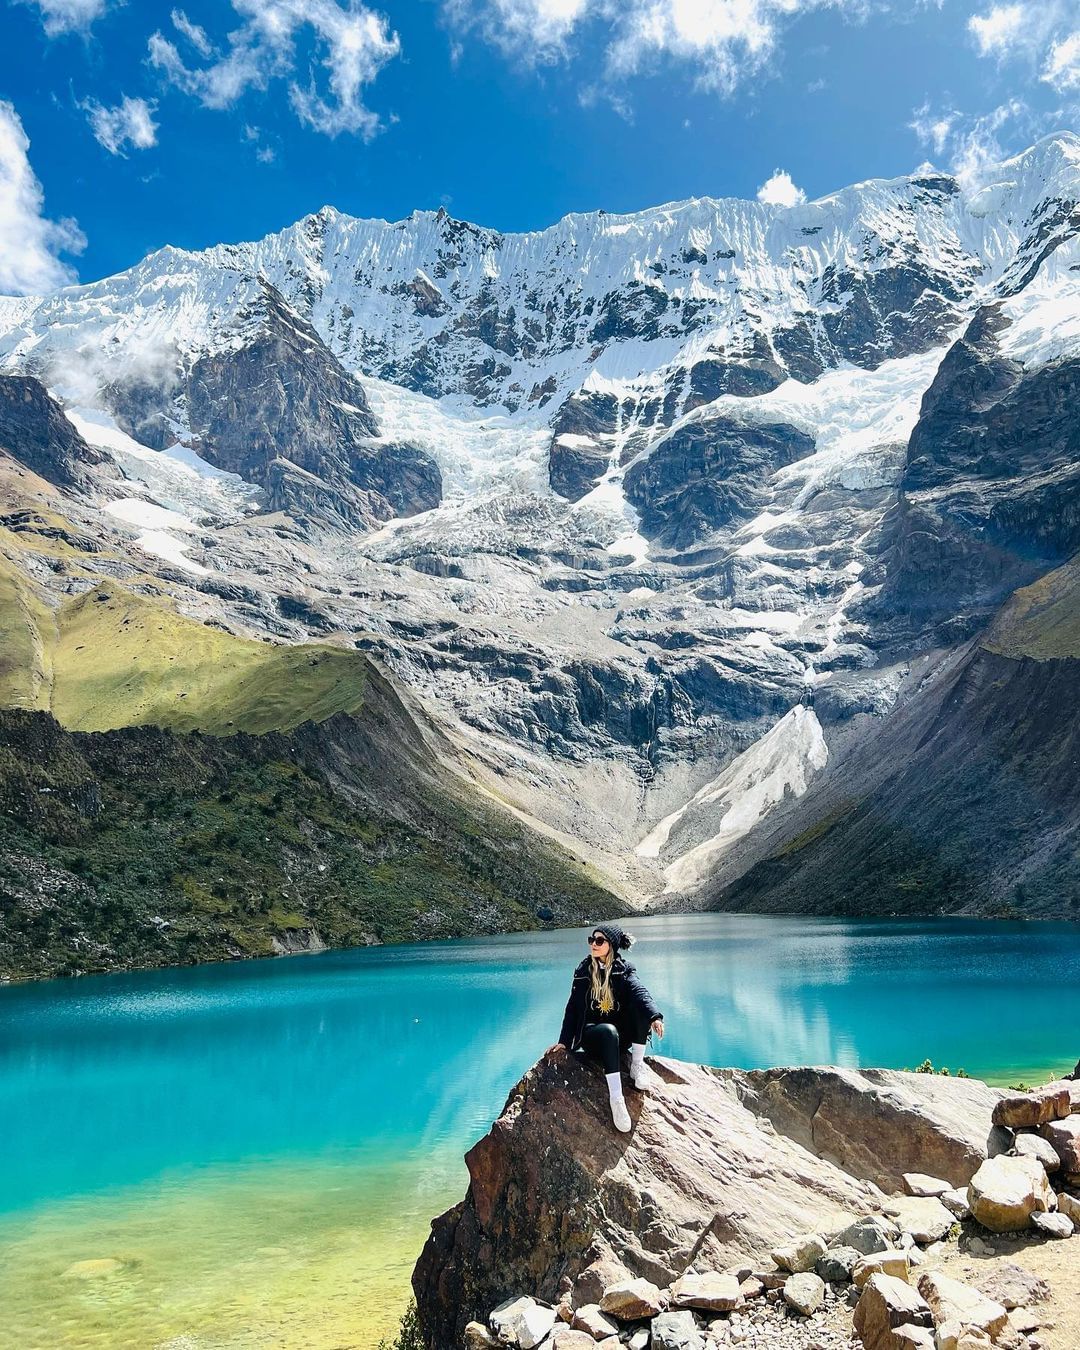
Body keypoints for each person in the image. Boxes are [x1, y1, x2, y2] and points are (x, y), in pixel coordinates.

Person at [551, 923, 664, 1133]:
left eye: (599, 941)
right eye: (591, 940)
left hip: (619, 1036)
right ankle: (616, 1099)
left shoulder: (624, 969)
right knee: (608, 1031)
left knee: (640, 1009)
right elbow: (573, 1008)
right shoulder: (583, 971)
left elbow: (639, 991)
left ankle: (636, 1066)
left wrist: (654, 1016)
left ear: (610, 945)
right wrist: (564, 1042)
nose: (593, 944)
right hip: (593, 1034)